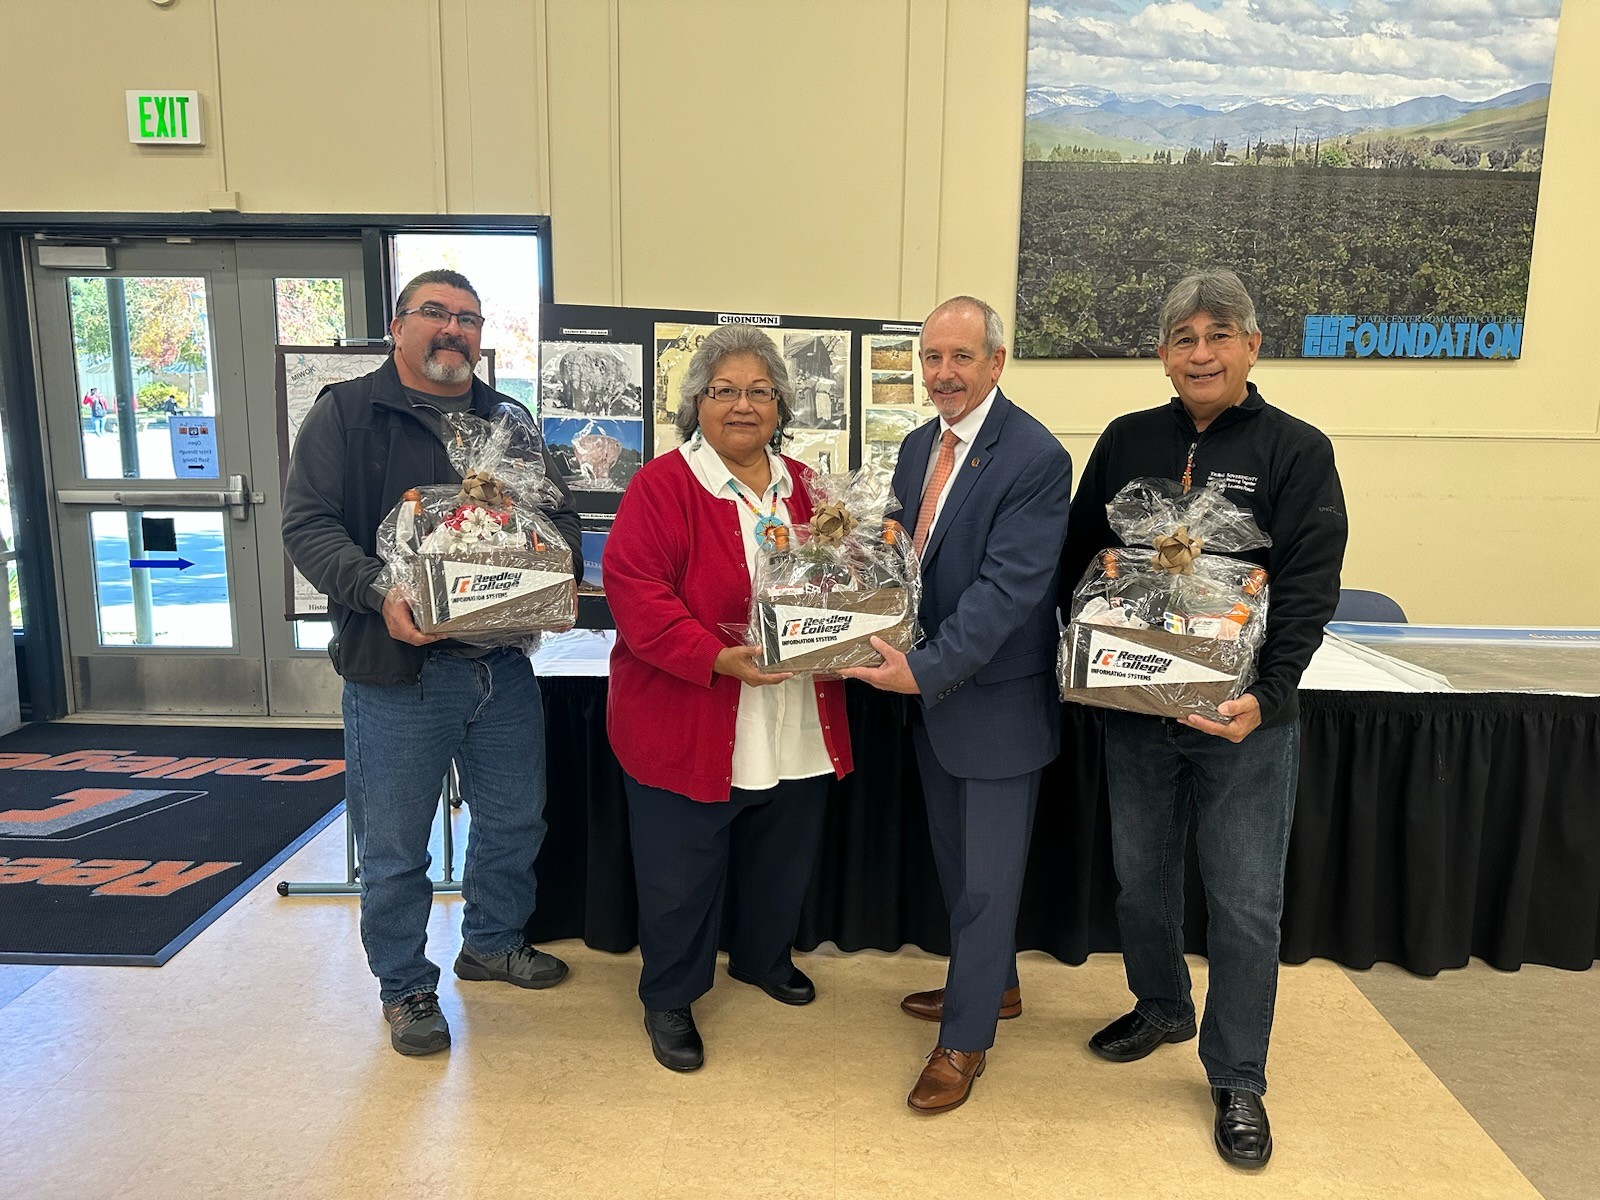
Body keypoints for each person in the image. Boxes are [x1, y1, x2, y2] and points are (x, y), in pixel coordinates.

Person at [1060, 268, 1347, 1167]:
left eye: (1219, 334)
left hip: (1245, 719)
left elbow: (1308, 588)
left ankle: (1237, 1076)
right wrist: (1085, 655)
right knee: (1139, 880)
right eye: (1184, 338)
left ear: (1253, 347)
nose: (1202, 352)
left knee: (1245, 905)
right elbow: (1081, 560)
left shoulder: (1297, 451)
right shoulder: (1126, 441)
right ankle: (1161, 1004)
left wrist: (1268, 697)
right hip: (1137, 708)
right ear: (1162, 354)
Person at [282, 269, 583, 1057]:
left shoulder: (508, 421)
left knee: (516, 819)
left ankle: (490, 940)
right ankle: (406, 985)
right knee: (395, 847)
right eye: (436, 314)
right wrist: (380, 590)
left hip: (503, 668)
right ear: (397, 324)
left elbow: (559, 519)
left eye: (469, 319)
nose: (454, 330)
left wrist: (553, 579)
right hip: (395, 674)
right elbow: (307, 527)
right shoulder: (347, 414)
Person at [603, 324, 853, 1072]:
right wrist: (714, 656)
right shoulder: (662, 486)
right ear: (697, 404)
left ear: (780, 404)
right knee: (681, 872)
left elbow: (844, 582)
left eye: (759, 392)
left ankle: (764, 958)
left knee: (783, 852)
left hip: (794, 715)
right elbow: (637, 596)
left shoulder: (810, 487)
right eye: (724, 391)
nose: (742, 406)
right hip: (693, 714)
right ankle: (670, 996)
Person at [844, 295, 1072, 1114]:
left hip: (993, 706)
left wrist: (923, 669)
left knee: (985, 883)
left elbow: (1008, 592)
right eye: (932, 357)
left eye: (961, 358)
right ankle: (996, 987)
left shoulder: (1035, 457)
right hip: (935, 703)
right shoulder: (915, 447)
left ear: (996, 363)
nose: (942, 373)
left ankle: (966, 1040)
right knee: (958, 867)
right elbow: (906, 561)